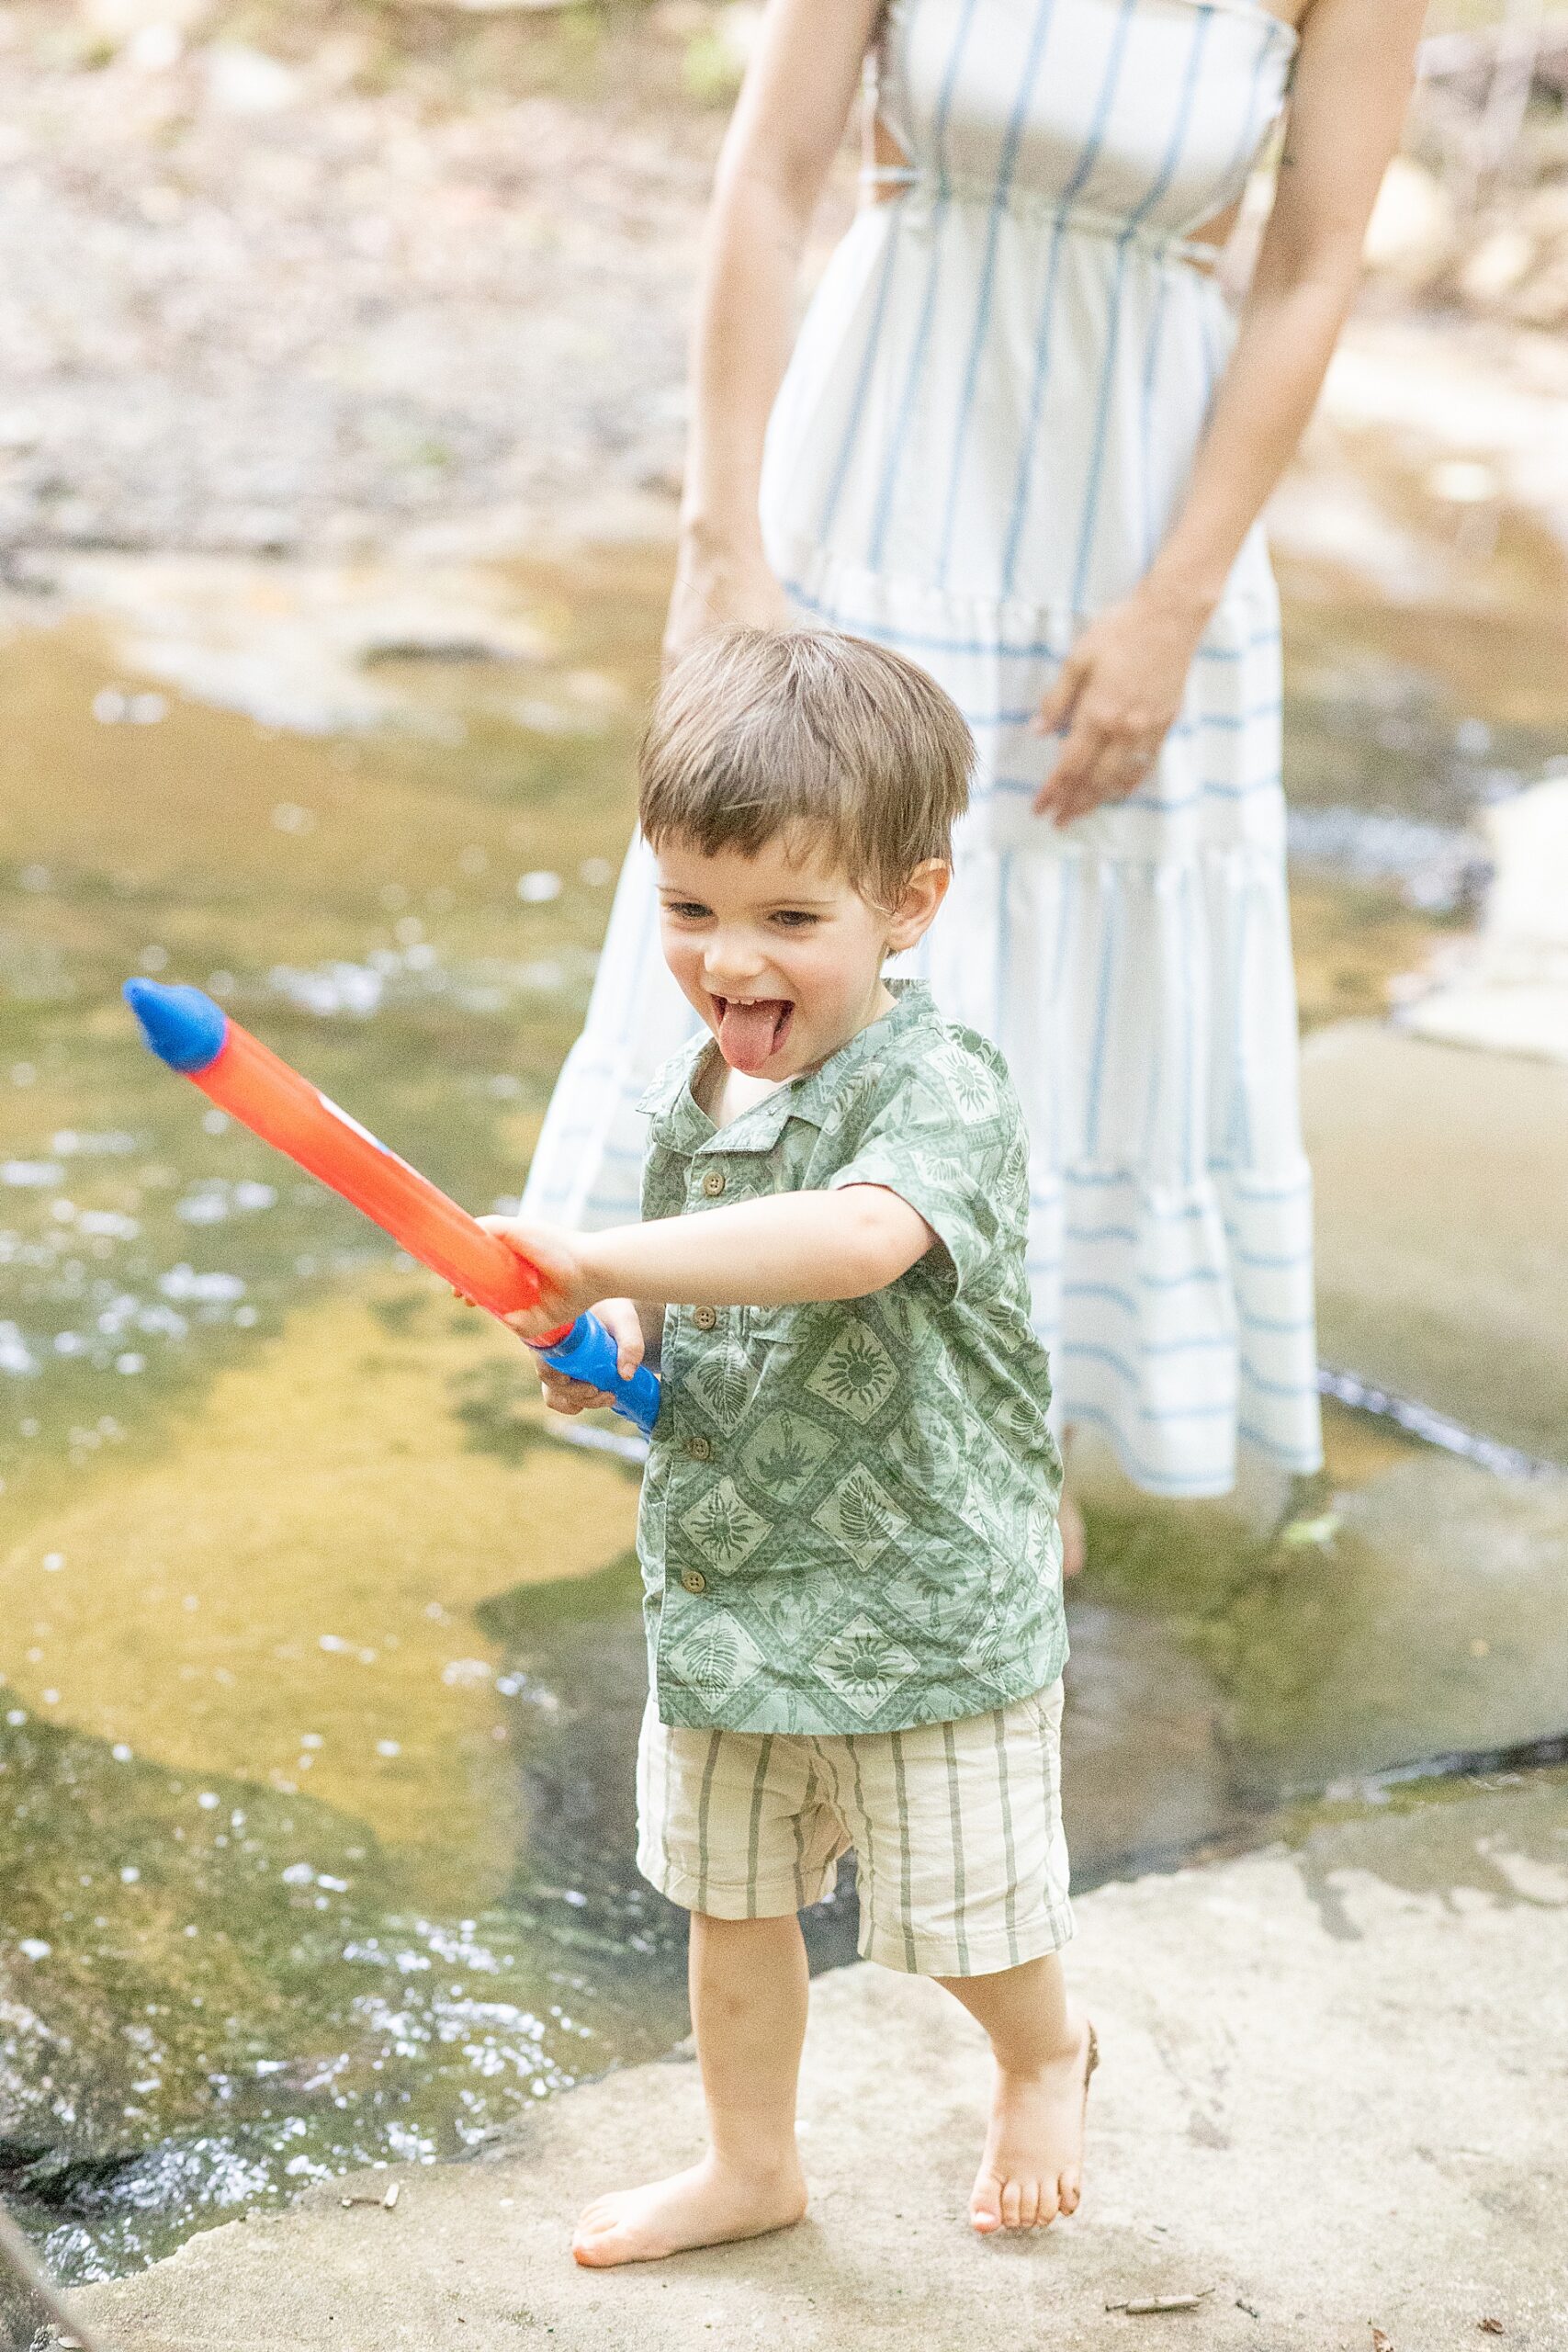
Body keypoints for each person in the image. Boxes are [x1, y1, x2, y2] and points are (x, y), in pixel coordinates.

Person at [523, 0, 1428, 1546]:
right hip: (868, 482)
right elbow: (768, 173)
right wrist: (720, 542)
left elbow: (1312, 263)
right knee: (781, 908)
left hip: (1137, 529)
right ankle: (732, 1415)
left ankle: (1020, 1461)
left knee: (1070, 994)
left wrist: (1176, 604)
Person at [490, 629, 1092, 2267]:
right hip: (739, 1584)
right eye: (687, 909)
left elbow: (849, 1245)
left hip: (924, 1597)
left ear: (910, 903)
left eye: (786, 919)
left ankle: (1043, 2054)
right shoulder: (697, 1095)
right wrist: (609, 1352)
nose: (728, 962)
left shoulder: (939, 1082)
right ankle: (750, 2162)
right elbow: (700, 1327)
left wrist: (603, 1254)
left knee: (968, 1909)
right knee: (728, 1902)